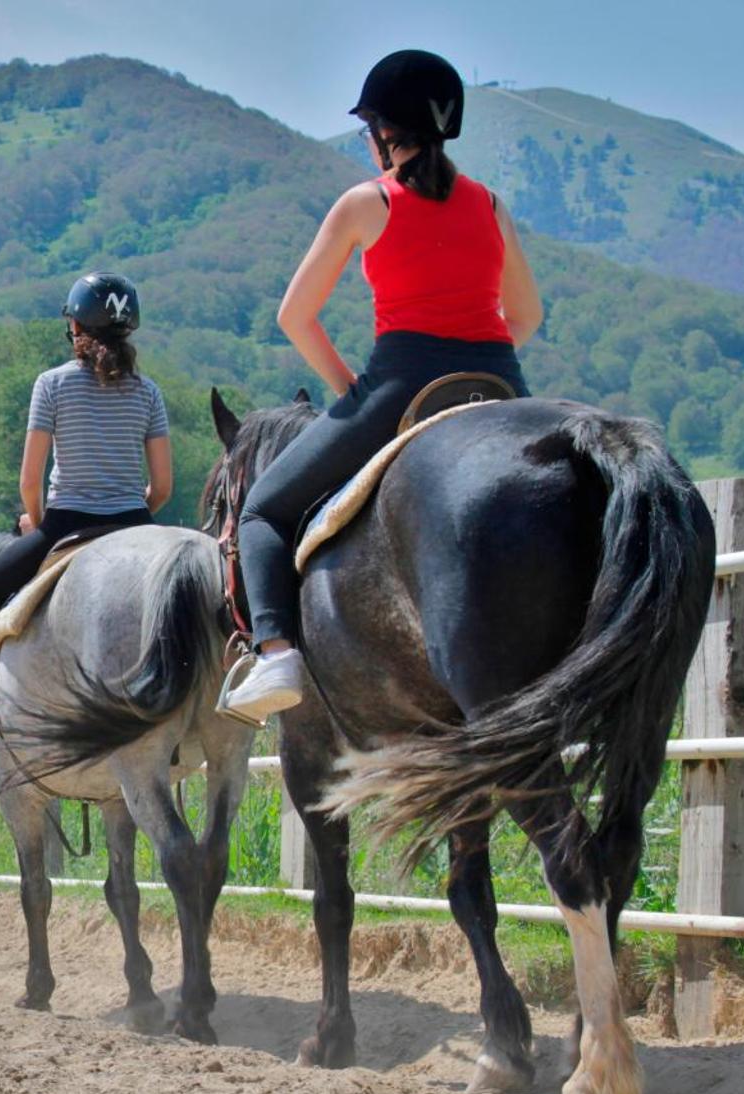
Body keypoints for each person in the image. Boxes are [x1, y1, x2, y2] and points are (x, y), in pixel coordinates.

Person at [219, 50, 541, 723]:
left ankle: (275, 651)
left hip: (400, 382)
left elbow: (294, 316)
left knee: (263, 513)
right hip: (500, 384)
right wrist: (479, 354)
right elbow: (527, 317)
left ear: (380, 133)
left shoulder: (368, 203)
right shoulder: (490, 204)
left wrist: (350, 390)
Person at [0, 272, 172, 747]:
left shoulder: (51, 385)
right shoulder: (148, 393)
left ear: (77, 330)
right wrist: (134, 514)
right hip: (135, 523)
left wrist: (39, 523)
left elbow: (30, 482)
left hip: (67, 521)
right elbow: (163, 486)